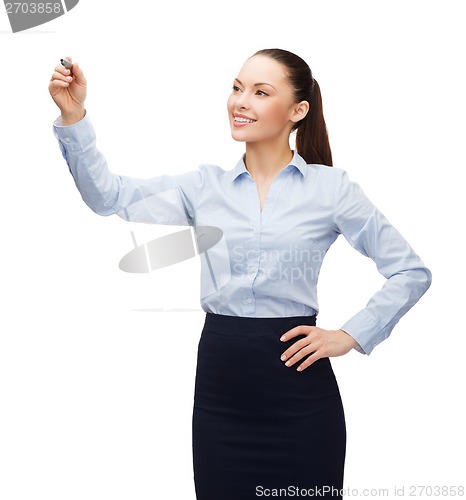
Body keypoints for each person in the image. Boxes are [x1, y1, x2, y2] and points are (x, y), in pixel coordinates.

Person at [49, 48, 432, 499]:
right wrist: (74, 118)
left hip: (300, 396)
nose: (240, 101)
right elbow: (109, 197)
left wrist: (350, 335)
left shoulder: (332, 190)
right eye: (236, 88)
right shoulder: (203, 187)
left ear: (298, 111)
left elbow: (410, 271)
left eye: (260, 92)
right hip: (221, 392)